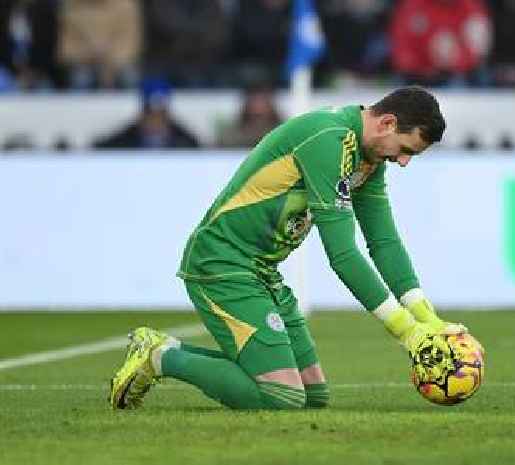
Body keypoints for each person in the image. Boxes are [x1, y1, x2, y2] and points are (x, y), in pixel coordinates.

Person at [108, 86, 473, 411]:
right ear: (387, 123)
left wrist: (428, 319)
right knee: (281, 395)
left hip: (262, 272)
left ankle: (163, 349)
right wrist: (407, 333)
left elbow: (383, 241)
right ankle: (159, 358)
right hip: (222, 264)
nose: (405, 162)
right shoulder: (329, 139)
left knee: (313, 397)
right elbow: (343, 254)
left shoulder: (370, 157)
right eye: (407, 150)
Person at [92, 78, 200, 149]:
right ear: (142, 114)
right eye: (151, 114)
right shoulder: (123, 140)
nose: (156, 121)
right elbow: (100, 148)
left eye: (161, 114)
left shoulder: (186, 142)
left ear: (168, 114)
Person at [216, 85, 284, 148]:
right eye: (255, 101)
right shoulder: (232, 133)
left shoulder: (281, 132)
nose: (258, 107)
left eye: (262, 101)